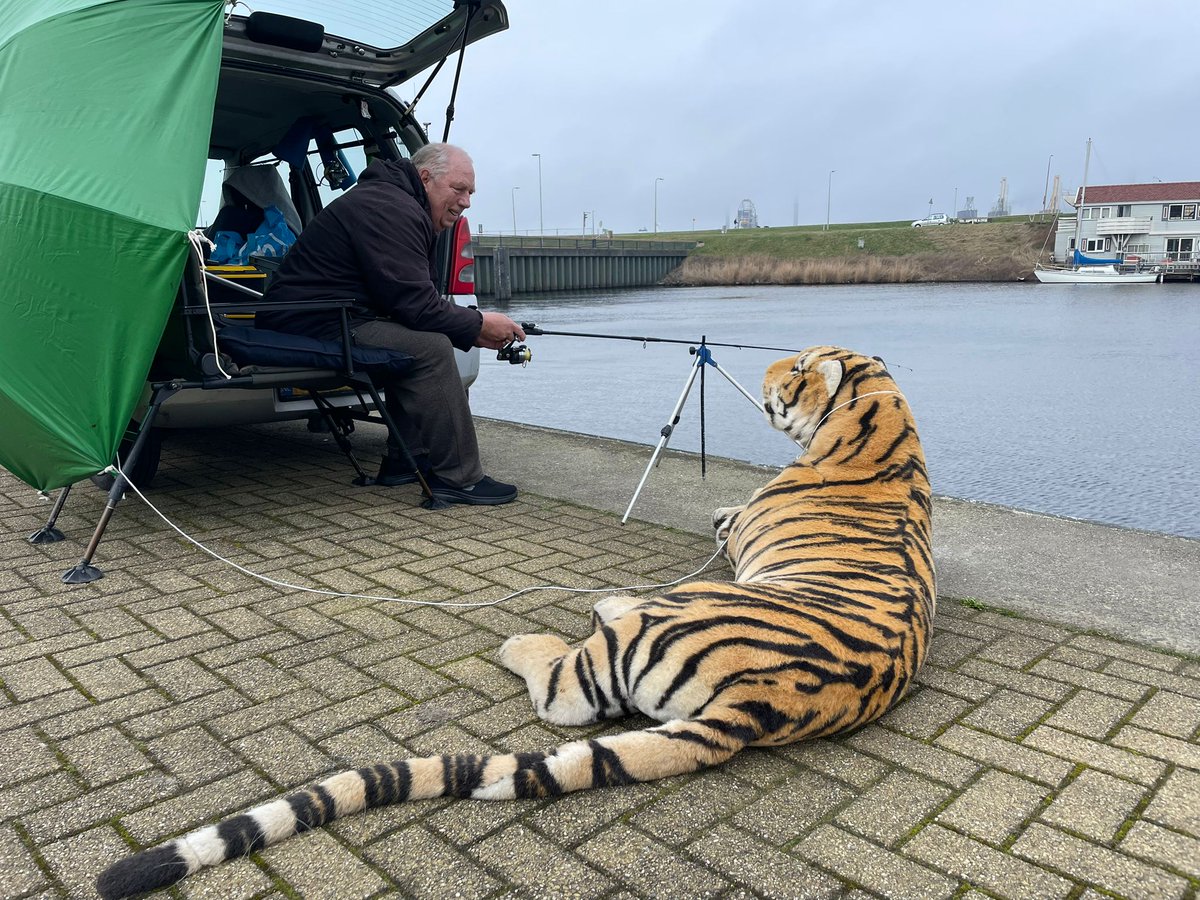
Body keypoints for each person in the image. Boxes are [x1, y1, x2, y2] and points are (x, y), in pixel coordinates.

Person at [256, 143, 525, 505]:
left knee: (418, 340)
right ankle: (459, 479)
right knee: (430, 349)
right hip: (308, 322)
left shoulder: (397, 201)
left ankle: (406, 460)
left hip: (331, 314)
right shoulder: (390, 208)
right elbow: (415, 304)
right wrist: (479, 325)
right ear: (426, 178)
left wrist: (469, 325)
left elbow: (410, 301)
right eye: (458, 189)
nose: (466, 202)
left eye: (470, 193)